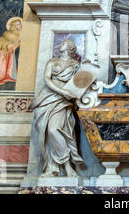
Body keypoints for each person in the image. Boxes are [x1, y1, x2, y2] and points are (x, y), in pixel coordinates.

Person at [30, 39, 84, 177]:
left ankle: (67, 165)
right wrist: (61, 92)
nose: (61, 44)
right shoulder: (52, 62)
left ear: (70, 47)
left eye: (64, 43)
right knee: (45, 131)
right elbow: (47, 79)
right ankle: (52, 166)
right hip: (47, 97)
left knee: (54, 129)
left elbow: (80, 83)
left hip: (62, 101)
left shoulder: (76, 65)